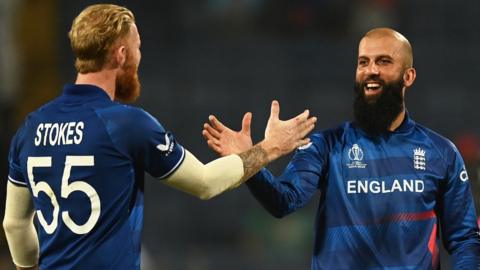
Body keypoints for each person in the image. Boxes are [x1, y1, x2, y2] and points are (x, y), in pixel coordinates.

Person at [2, 4, 317, 270]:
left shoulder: (31, 127)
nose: (141, 56)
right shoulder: (125, 124)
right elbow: (205, 183)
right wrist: (268, 148)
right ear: (121, 54)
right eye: (138, 46)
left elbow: (14, 225)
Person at [203, 27, 480, 269]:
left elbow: (465, 239)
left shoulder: (441, 153)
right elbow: (283, 201)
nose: (371, 70)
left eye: (383, 61)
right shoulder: (326, 146)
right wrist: (249, 159)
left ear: (408, 76)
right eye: (363, 62)